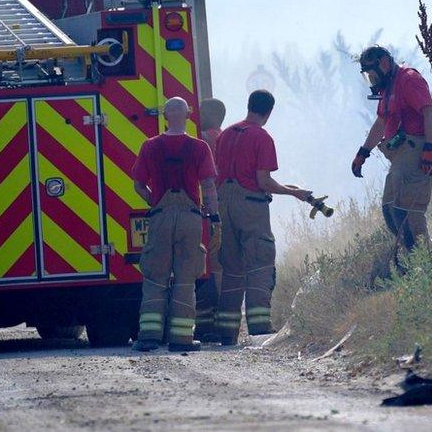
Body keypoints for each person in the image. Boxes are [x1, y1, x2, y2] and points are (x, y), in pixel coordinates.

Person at [213, 90, 312, 345]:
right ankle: (259, 331)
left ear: (249, 106)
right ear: (268, 112)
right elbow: (262, 181)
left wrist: (291, 189)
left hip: (224, 205)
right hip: (251, 208)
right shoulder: (262, 137)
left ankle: (227, 333)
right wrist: (295, 194)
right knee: (259, 263)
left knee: (232, 268)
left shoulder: (226, 135)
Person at [131, 97, 220, 352]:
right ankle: (181, 339)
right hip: (191, 217)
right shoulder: (200, 147)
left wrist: (155, 202)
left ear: (165, 116)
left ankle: (148, 337)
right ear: (189, 116)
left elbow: (138, 185)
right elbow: (208, 186)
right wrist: (214, 217)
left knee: (155, 277)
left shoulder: (150, 146)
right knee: (185, 279)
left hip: (160, 216)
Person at [351, 46, 432, 271]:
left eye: (371, 73)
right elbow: (381, 123)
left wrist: (430, 148)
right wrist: (363, 152)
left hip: (416, 150)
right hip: (400, 156)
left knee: (407, 211)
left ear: (383, 64)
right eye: (366, 75)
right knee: (390, 211)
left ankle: (429, 264)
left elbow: (429, 112)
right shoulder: (388, 88)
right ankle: (419, 260)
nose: (370, 79)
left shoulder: (408, 80)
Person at [194, 98, 227, 342]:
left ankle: (208, 322)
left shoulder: (204, 137)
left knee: (211, 264)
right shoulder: (226, 137)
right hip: (225, 203)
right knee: (222, 264)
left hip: (209, 205)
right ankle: (220, 320)